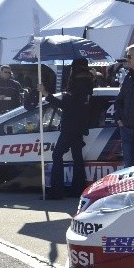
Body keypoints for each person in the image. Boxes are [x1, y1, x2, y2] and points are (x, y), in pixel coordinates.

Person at [37, 58, 94, 200]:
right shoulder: (88, 81)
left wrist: (45, 94)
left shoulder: (77, 82)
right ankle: (77, 189)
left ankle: (57, 191)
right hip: (80, 125)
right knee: (77, 157)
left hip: (70, 126)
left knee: (57, 155)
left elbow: (65, 105)